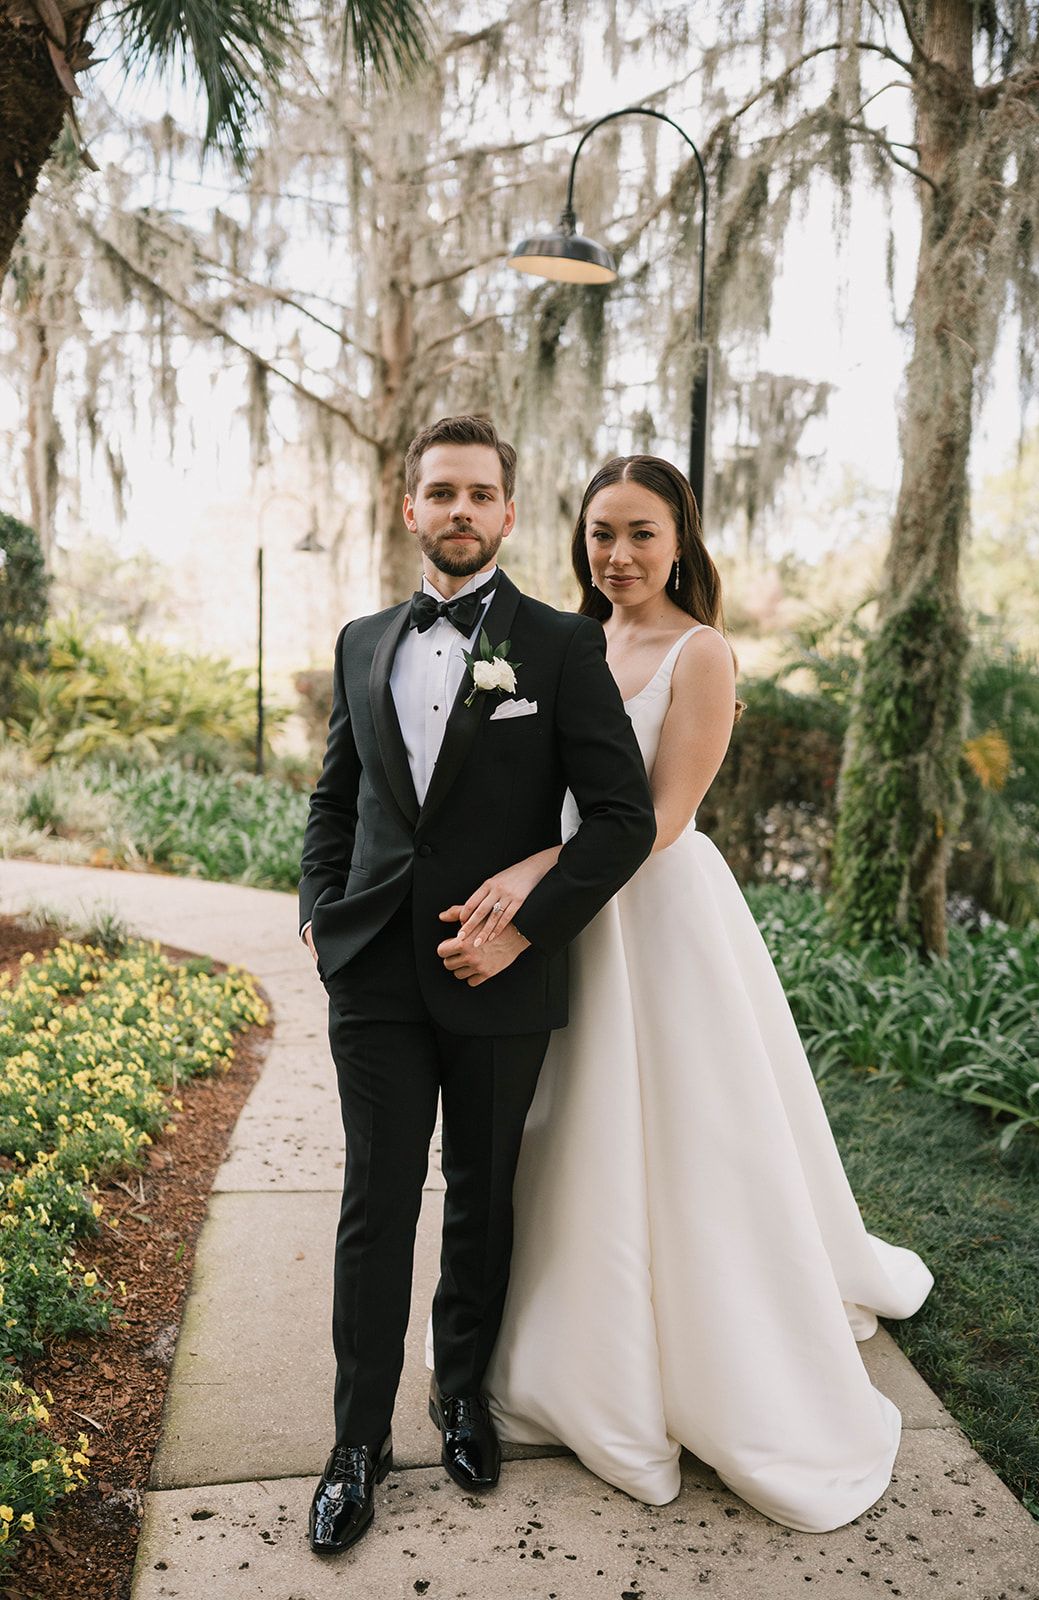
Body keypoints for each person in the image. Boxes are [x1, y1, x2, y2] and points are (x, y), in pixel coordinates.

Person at [449, 454, 934, 1534]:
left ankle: (714, 1347)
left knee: (690, 1131)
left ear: (681, 542)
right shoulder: (557, 644)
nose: (617, 556)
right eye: (600, 534)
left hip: (654, 912)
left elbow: (664, 818)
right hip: (570, 912)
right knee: (565, 1124)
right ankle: (573, 1339)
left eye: (641, 534)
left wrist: (539, 873)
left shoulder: (700, 652)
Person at [298, 415, 656, 1556]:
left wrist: (527, 931)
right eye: (439, 492)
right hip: (373, 977)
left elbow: (622, 821)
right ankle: (357, 1441)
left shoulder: (557, 647)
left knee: (483, 1196)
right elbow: (335, 799)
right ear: (411, 509)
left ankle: (462, 1399)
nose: (458, 511)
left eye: (480, 494)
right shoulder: (363, 639)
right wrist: (319, 911)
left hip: (502, 977)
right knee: (375, 1205)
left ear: (508, 514)